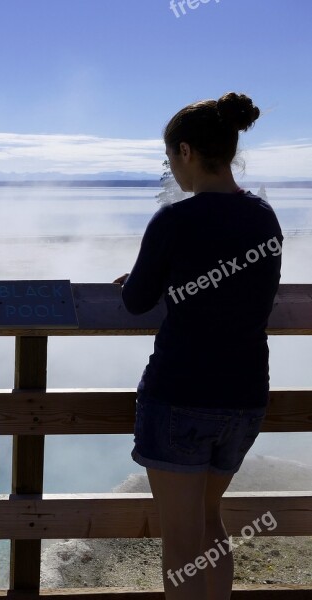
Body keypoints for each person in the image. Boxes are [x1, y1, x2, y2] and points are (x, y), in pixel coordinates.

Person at [113, 92, 283, 599]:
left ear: (185, 152)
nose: (173, 170)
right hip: (246, 396)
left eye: (170, 158)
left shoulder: (175, 221)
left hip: (181, 394)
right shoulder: (265, 219)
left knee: (181, 544)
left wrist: (157, 280)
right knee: (210, 525)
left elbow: (136, 301)